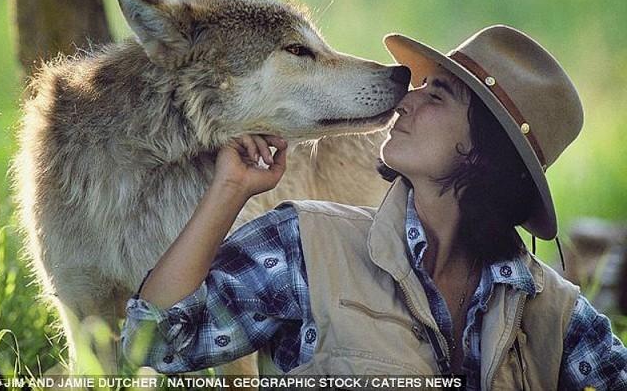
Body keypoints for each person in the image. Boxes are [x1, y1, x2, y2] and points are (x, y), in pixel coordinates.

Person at [121, 25, 627, 390]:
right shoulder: (304, 245)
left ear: (483, 151)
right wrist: (228, 188)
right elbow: (154, 342)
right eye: (419, 87)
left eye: (438, 97)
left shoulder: (558, 315)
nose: (405, 100)